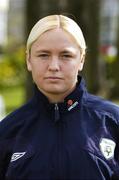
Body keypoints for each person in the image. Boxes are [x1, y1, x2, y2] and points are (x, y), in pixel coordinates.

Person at [0, 14, 119, 180]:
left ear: (81, 60)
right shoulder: (7, 131)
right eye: (43, 55)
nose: (54, 66)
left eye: (66, 55)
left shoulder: (112, 122)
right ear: (28, 59)